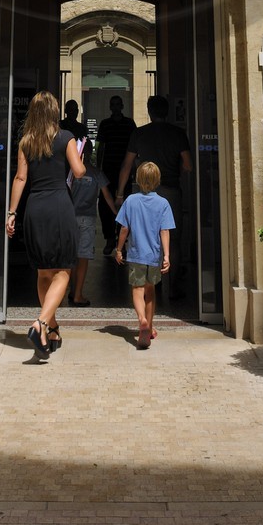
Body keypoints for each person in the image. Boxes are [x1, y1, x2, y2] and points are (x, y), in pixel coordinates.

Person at [5, 91, 85, 357]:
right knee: (63, 271)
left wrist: (12, 213)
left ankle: (51, 329)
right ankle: (40, 323)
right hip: (59, 206)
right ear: (54, 111)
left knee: (42, 272)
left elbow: (20, 178)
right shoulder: (65, 138)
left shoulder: (26, 142)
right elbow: (78, 171)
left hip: (34, 208)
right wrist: (81, 159)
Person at [116, 96, 191, 299]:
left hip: (144, 193)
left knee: (145, 238)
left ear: (149, 111)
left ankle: (152, 284)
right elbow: (188, 164)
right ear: (166, 111)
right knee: (172, 240)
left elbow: (126, 165)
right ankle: (172, 288)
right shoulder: (178, 134)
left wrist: (120, 193)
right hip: (171, 190)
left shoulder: (139, 134)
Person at [113, 161, 174, 349]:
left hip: (136, 254)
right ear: (157, 180)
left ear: (138, 179)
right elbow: (165, 231)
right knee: (150, 291)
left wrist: (118, 249)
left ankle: (141, 321)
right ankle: (150, 324)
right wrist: (166, 256)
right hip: (154, 255)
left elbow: (124, 228)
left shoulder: (131, 200)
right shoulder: (163, 203)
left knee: (137, 290)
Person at [67, 138, 117, 305]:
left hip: (70, 216)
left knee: (72, 256)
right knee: (83, 257)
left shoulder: (70, 172)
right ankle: (78, 294)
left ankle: (72, 290)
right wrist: (116, 213)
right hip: (87, 218)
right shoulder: (96, 172)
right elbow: (107, 196)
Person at [95, 95, 136, 253]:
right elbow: (100, 147)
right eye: (113, 104)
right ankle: (109, 239)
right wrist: (98, 168)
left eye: (118, 103)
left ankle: (122, 240)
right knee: (105, 206)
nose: (116, 106)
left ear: (122, 105)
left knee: (126, 205)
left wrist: (133, 167)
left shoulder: (129, 124)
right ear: (110, 107)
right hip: (108, 170)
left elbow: (134, 146)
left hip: (125, 170)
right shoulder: (105, 124)